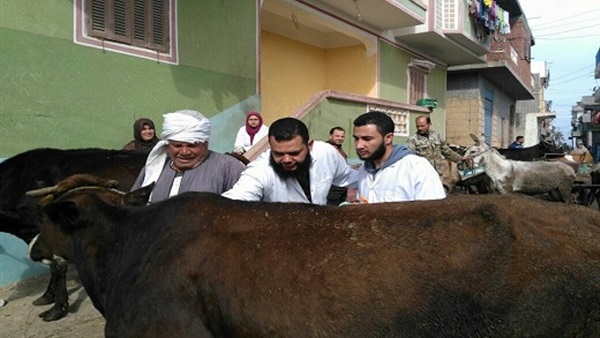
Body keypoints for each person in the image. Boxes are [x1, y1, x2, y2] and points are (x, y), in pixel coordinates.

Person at [222, 117, 357, 205]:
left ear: (309, 145)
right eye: (279, 153)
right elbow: (234, 202)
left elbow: (350, 177)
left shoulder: (326, 153)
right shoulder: (260, 170)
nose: (286, 160)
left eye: (294, 153)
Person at [131, 109, 246, 203]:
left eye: (191, 145)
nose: (184, 151)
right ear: (168, 145)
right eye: (178, 145)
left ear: (205, 144)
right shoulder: (153, 168)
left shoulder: (229, 167)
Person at [353, 111, 445, 203]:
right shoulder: (363, 171)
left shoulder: (417, 168)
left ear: (388, 138)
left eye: (367, 139)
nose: (359, 146)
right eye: (356, 139)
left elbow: (433, 212)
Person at [406, 115, 463, 188]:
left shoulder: (436, 136)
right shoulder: (413, 140)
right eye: (418, 126)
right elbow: (410, 158)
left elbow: (446, 150)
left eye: (422, 126)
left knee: (439, 195)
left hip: (438, 173)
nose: (420, 128)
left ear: (429, 124)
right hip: (423, 175)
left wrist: (460, 159)